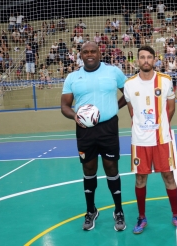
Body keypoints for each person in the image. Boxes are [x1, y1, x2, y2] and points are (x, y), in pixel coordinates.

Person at [60, 41, 127, 232]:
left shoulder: (113, 72)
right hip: (84, 130)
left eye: (93, 51)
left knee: (111, 167)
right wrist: (75, 116)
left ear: (100, 53)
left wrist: (115, 107)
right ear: (80, 55)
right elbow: (64, 105)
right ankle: (91, 210)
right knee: (89, 168)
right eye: (85, 52)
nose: (90, 54)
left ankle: (119, 210)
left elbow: (128, 93)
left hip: (108, 127)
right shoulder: (73, 77)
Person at [123, 45, 177, 234]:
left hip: (162, 139)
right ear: (137, 60)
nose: (146, 60)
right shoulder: (129, 85)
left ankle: (175, 215)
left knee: (168, 176)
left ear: (154, 59)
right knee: (140, 178)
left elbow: (171, 109)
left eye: (149, 57)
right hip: (140, 140)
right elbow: (132, 111)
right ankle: (141, 218)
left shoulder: (166, 81)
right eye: (142, 57)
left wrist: (161, 126)